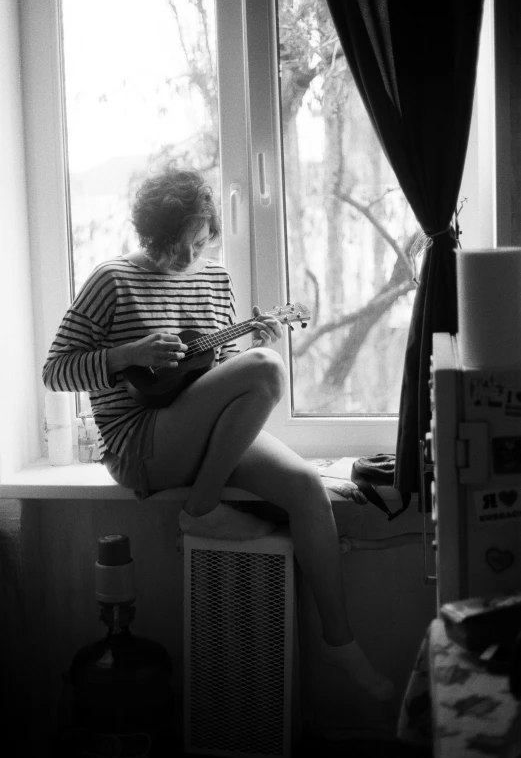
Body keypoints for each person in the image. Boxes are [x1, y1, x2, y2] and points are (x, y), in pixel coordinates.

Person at [42, 164, 394, 701]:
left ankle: (339, 642)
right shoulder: (111, 280)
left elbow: (223, 370)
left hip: (199, 434)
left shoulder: (216, 277)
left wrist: (257, 343)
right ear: (150, 236)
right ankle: (202, 507)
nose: (189, 260)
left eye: (199, 245)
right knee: (268, 369)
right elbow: (56, 370)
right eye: (176, 247)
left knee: (305, 488)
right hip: (141, 445)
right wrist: (128, 354)